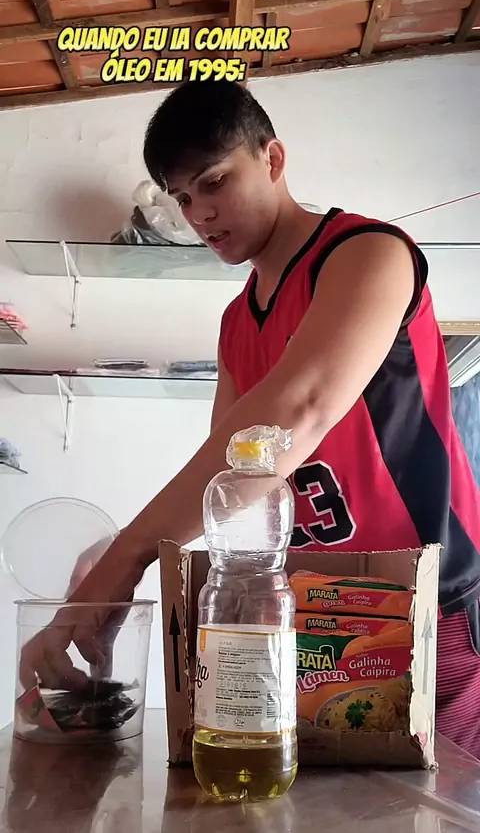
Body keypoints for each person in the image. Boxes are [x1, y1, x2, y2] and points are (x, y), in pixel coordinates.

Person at [21, 79, 480, 757]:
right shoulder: (237, 321)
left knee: (445, 796)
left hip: (429, 606)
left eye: (214, 182)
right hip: (316, 617)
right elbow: (234, 492)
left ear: (273, 158)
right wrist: (114, 558)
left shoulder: (368, 253)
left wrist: (124, 562)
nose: (198, 213)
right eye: (181, 197)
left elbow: (293, 416)